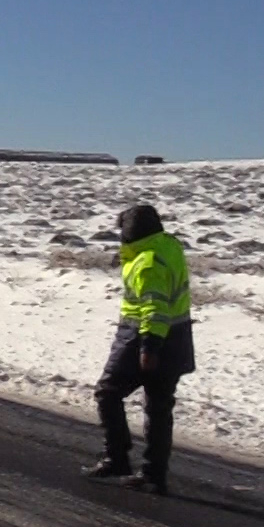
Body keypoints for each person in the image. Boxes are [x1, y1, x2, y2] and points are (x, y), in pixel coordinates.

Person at [85, 204, 194, 493]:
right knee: (159, 406)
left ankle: (117, 457)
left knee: (108, 393)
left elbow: (153, 308)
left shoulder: (146, 262)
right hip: (179, 336)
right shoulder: (170, 247)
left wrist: (149, 347)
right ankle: (153, 474)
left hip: (145, 337)